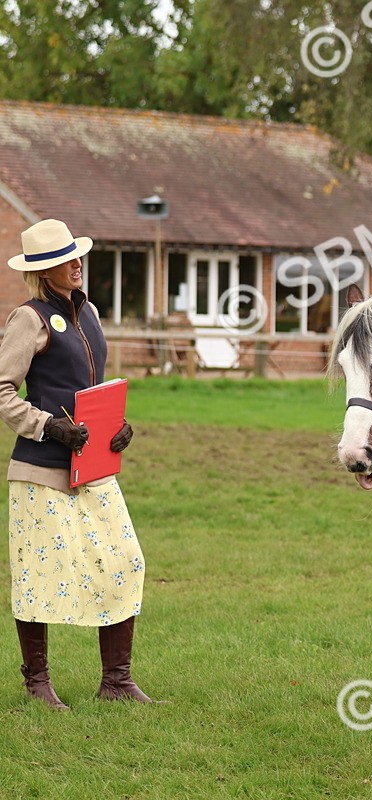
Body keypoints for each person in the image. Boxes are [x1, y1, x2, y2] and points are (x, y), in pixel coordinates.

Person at [3, 219, 157, 708]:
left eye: (75, 256)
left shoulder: (88, 313)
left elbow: (91, 391)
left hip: (93, 467)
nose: (75, 264)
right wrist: (48, 426)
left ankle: (116, 681)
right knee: (38, 575)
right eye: (63, 260)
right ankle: (36, 683)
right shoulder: (28, 319)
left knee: (125, 561)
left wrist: (117, 427)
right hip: (40, 472)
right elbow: (3, 391)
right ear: (42, 271)